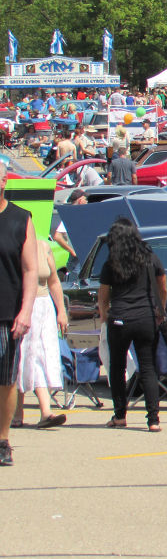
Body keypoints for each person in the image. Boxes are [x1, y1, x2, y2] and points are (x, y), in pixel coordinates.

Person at [97, 218, 167, 432]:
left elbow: (103, 296)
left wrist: (105, 315)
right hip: (146, 316)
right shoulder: (150, 258)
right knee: (148, 368)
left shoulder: (111, 263)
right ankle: (153, 419)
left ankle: (120, 415)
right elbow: (162, 287)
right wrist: (160, 310)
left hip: (119, 319)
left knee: (117, 368)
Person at [0, 162, 39, 464]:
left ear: (5, 182)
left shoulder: (20, 218)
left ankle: (3, 440)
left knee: (6, 380)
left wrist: (25, 311)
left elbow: (30, 269)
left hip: (7, 314)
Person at [12, 239, 68, 429]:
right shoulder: (13, 245)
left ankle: (32, 412)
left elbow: (53, 281)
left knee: (40, 356)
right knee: (24, 357)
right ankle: (36, 411)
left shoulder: (43, 247)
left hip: (44, 308)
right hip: (21, 307)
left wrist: (61, 310)